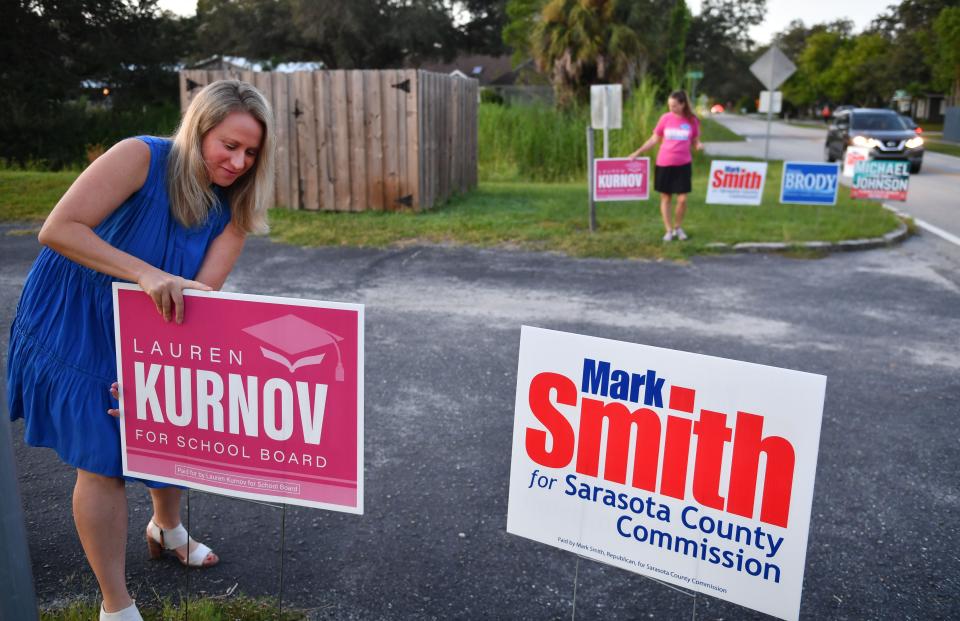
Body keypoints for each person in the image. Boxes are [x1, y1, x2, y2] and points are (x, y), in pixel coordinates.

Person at [6, 80, 275, 621]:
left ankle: (165, 527)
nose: (240, 161)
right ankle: (116, 604)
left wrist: (162, 371)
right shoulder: (140, 157)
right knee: (103, 458)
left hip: (153, 323)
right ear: (200, 129)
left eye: (252, 152)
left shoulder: (234, 210)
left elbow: (199, 303)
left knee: (170, 425)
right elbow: (58, 229)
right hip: (78, 315)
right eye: (229, 145)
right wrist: (145, 274)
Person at [630, 90, 703, 242]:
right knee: (666, 197)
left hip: (683, 165)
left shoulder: (692, 120)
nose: (671, 108)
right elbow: (654, 139)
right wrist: (638, 152)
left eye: (675, 106)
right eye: (670, 105)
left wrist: (698, 145)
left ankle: (678, 227)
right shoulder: (665, 118)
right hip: (664, 163)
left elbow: (695, 140)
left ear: (683, 104)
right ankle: (668, 230)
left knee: (682, 199)